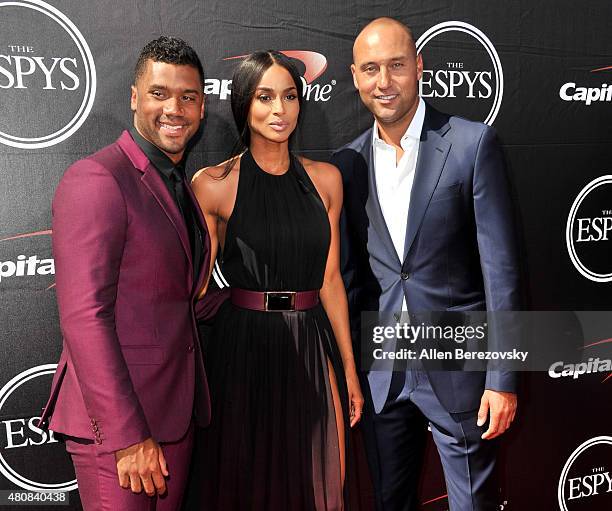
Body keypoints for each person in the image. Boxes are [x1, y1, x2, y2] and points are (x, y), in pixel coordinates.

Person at [331, 18, 521, 511]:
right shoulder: (346, 164)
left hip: (460, 372)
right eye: (371, 69)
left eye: (396, 65)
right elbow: (348, 281)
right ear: (354, 77)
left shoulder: (471, 144)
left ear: (419, 67)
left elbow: (500, 274)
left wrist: (502, 379)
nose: (384, 81)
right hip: (383, 375)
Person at [38, 36, 221, 511]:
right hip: (120, 434)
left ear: (202, 106)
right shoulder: (98, 179)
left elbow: (167, 296)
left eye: (188, 96)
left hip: (173, 415)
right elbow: (84, 318)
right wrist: (128, 436)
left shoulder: (178, 181)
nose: (174, 109)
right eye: (160, 94)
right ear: (135, 98)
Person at [190, 50, 364, 510]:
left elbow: (329, 279)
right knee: (248, 485)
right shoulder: (214, 183)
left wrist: (348, 366)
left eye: (289, 96)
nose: (279, 110)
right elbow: (196, 288)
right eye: (265, 97)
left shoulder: (326, 180)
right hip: (242, 350)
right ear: (245, 104)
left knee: (324, 484)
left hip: (310, 341)